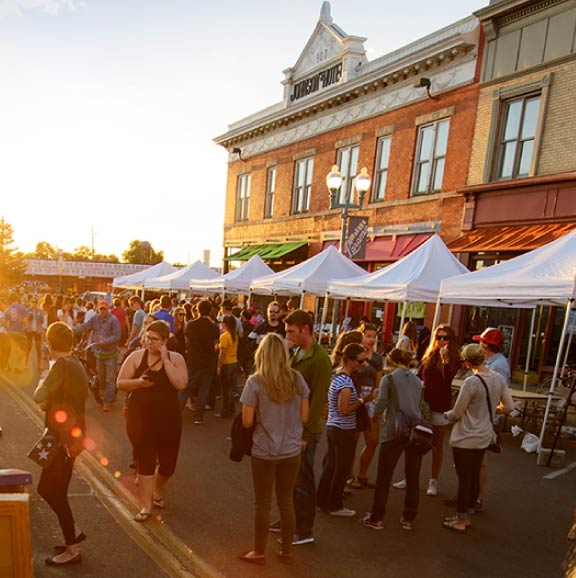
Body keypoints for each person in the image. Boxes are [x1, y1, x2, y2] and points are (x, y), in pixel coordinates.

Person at [239, 333, 309, 565]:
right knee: (286, 501)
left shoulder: (255, 382)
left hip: (265, 450)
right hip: (291, 450)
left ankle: (259, 552)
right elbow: (305, 416)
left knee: (263, 503)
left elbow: (247, 421)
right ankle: (287, 551)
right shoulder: (297, 380)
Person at [117, 320, 188, 522]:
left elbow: (181, 383)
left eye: (155, 339)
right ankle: (146, 505)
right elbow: (120, 383)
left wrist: (165, 360)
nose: (149, 342)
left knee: (168, 465)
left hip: (169, 420)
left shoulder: (176, 359)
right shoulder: (136, 357)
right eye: (147, 337)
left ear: (165, 341)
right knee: (145, 461)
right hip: (139, 418)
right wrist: (138, 383)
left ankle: (157, 488)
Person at [271, 309, 331, 545]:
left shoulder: (320, 359)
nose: (288, 335)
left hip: (306, 430)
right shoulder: (296, 352)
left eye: (291, 331)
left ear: (305, 330)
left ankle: (304, 529)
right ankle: (289, 520)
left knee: (303, 480)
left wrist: (305, 433)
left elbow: (317, 400)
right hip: (291, 425)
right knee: (289, 479)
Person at [33, 322, 89, 565]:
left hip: (60, 438)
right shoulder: (76, 363)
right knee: (55, 489)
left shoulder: (61, 365)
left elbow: (39, 396)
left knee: (49, 490)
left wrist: (43, 379)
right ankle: (72, 535)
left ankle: (72, 547)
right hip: (72, 436)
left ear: (49, 344)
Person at [442, 344, 513, 532]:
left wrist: (447, 415)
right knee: (474, 477)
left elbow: (458, 412)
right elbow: (509, 406)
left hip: (466, 435)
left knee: (464, 479)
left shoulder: (471, 383)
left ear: (467, 362)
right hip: (484, 435)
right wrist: (493, 410)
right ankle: (468, 516)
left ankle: (460, 519)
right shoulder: (498, 379)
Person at [361, 348, 425, 531]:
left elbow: (381, 404)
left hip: (394, 430)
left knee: (384, 475)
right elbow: (419, 404)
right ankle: (408, 518)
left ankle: (377, 516)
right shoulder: (417, 381)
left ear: (391, 361)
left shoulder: (388, 379)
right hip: (415, 431)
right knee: (413, 476)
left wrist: (376, 415)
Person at [394, 324, 461, 495]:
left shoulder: (454, 358)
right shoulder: (429, 355)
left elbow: (449, 378)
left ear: (451, 340)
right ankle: (409, 477)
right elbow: (419, 376)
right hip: (423, 406)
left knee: (436, 445)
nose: (441, 341)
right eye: (439, 337)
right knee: (416, 441)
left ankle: (433, 480)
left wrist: (445, 359)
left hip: (440, 406)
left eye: (445, 337)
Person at [317, 343, 373, 517]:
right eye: (359, 361)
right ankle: (334, 504)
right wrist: (363, 400)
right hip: (343, 428)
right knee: (340, 468)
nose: (362, 364)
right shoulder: (346, 381)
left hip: (334, 426)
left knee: (331, 466)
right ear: (349, 360)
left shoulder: (337, 376)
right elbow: (344, 409)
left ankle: (322, 500)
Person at [352, 323, 384, 488]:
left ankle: (362, 474)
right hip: (357, 397)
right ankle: (348, 475)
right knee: (353, 439)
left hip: (371, 398)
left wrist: (378, 404)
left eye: (374, 336)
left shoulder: (377, 358)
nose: (371, 340)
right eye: (368, 336)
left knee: (373, 440)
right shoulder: (355, 354)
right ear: (362, 336)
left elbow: (379, 382)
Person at [74, 301, 121, 412]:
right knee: (101, 378)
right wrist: (71, 330)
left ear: (108, 309)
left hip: (111, 354)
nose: (102, 311)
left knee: (110, 379)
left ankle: (107, 402)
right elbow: (85, 327)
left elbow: (117, 335)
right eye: (101, 309)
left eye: (104, 309)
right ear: (98, 309)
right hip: (99, 354)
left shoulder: (113, 320)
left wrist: (104, 341)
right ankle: (108, 396)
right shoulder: (95, 319)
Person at [181, 299, 220, 425]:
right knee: (204, 388)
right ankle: (199, 416)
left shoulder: (191, 325)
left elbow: (187, 340)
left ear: (197, 310)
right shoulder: (214, 327)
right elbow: (215, 344)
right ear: (210, 311)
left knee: (187, 387)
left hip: (194, 359)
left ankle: (177, 411)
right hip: (209, 360)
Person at [217, 315, 240, 418]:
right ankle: (231, 409)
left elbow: (223, 353)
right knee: (230, 388)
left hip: (226, 364)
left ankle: (225, 410)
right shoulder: (234, 335)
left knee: (225, 389)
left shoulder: (224, 336)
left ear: (225, 324)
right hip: (234, 362)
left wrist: (219, 366)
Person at [25, 296, 44, 370]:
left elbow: (42, 321)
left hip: (37, 331)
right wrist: (28, 318)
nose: (34, 303)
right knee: (28, 348)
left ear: (37, 303)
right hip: (29, 330)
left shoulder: (40, 311)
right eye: (33, 302)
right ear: (31, 302)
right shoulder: (27, 310)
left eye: (36, 302)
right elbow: (25, 320)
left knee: (38, 349)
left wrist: (41, 319)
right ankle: (26, 364)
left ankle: (39, 365)